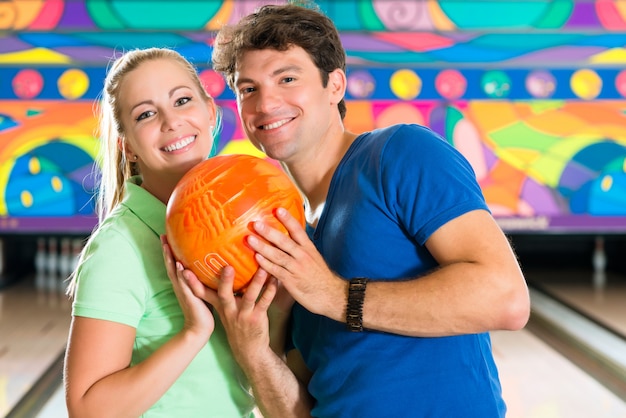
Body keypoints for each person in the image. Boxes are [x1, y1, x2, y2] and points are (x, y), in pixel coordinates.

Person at [169, 2, 531, 417]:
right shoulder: (281, 238)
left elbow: (506, 298)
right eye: (248, 88)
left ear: (335, 85)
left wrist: (335, 295)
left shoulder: (400, 153)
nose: (266, 103)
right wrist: (253, 351)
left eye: (287, 78)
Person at [63, 47, 257, 417]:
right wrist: (192, 332)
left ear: (210, 113)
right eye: (146, 114)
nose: (171, 121)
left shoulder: (238, 214)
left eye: (182, 100)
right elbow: (88, 409)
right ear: (128, 147)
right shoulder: (119, 248)